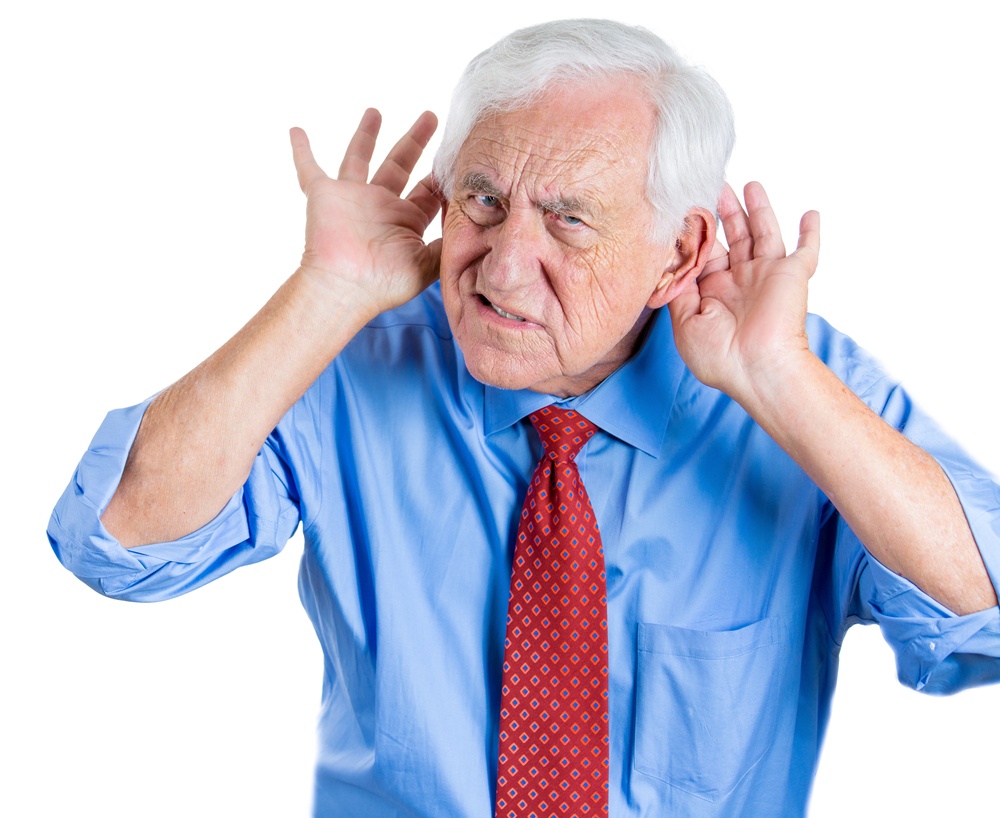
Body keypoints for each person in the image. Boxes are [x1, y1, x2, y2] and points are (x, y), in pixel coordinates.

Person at [48, 18, 1000, 818]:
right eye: (484, 201)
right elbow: (119, 543)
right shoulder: (355, 356)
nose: (502, 269)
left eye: (568, 220)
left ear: (677, 256)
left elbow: (985, 618)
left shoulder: (788, 374)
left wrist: (782, 382)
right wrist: (324, 292)